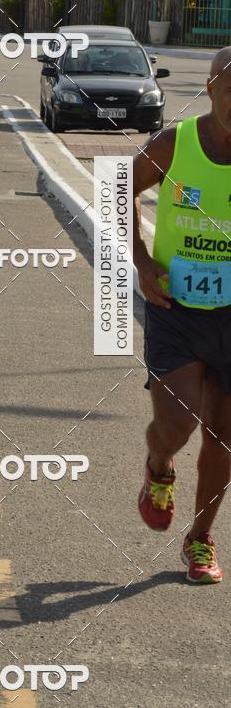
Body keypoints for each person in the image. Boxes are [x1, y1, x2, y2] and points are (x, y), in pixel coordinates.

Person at [134, 45, 231, 584]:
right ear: (212, 88)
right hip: (177, 308)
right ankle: (159, 467)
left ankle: (199, 540)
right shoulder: (177, 143)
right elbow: (117, 186)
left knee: (224, 434)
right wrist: (143, 261)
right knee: (176, 424)